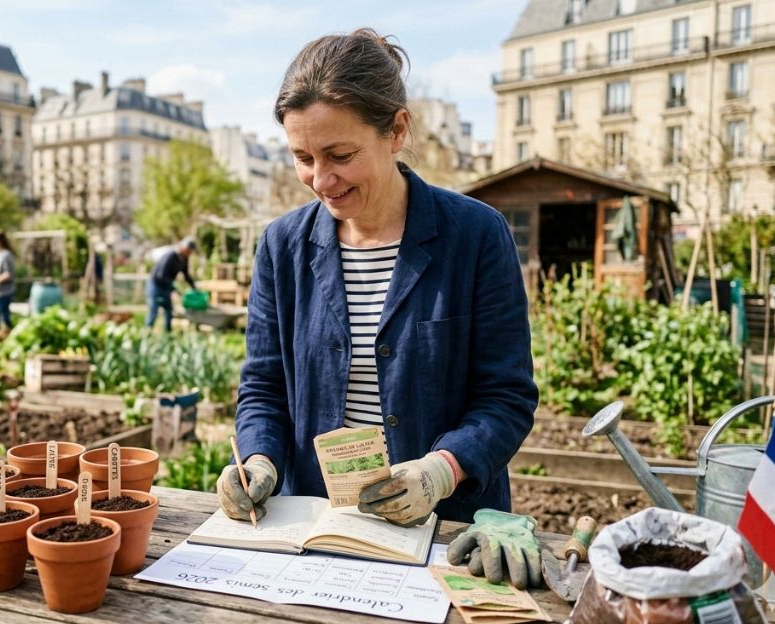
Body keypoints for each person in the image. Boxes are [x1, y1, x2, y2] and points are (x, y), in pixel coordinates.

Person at [216, 29, 540, 588]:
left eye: (340, 155)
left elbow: (505, 397)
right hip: (315, 529)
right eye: (303, 157)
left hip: (443, 534)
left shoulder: (476, 236)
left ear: (396, 130)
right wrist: (261, 460)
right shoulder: (281, 246)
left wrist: (442, 471)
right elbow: (264, 387)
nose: (321, 180)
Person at [145, 237, 197, 331]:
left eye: (191, 252)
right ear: (183, 247)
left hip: (166, 287)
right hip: (156, 285)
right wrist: (174, 286)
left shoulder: (184, 259)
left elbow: (186, 275)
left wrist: (194, 287)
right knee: (154, 311)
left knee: (169, 311)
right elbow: (161, 275)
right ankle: (147, 332)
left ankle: (168, 334)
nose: (189, 253)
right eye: (188, 251)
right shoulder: (170, 256)